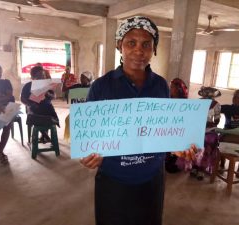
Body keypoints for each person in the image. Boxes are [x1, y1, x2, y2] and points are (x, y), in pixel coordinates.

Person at [79, 16, 196, 225]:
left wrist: (177, 145)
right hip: (113, 179)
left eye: (146, 44)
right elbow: (90, 137)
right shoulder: (101, 86)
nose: (139, 51)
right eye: (131, 43)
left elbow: (163, 129)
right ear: (119, 46)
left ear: (154, 49)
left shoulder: (161, 85)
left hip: (152, 178)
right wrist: (87, 154)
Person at [189, 86, 221, 180]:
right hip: (203, 129)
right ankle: (197, 168)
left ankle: (199, 168)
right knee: (200, 146)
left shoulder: (214, 104)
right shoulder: (214, 104)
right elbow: (217, 120)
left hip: (206, 130)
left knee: (203, 145)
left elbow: (216, 121)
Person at [21, 66, 59, 143]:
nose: (42, 77)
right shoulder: (28, 85)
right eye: (39, 75)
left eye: (43, 75)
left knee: (48, 112)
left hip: (47, 107)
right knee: (35, 114)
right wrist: (29, 104)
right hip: (33, 108)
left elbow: (54, 96)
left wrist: (48, 94)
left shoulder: (47, 85)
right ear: (32, 77)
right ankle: (45, 134)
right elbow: (22, 99)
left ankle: (44, 134)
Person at [0, 63, 15, 164]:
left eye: (0, 71)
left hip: (7, 107)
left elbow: (10, 97)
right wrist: (0, 102)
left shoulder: (6, 82)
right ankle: (0, 152)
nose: (0, 73)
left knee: (7, 124)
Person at [165, 78, 188, 173]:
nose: (170, 89)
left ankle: (178, 161)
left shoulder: (185, 104)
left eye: (173, 87)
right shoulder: (167, 99)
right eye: (170, 87)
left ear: (179, 89)